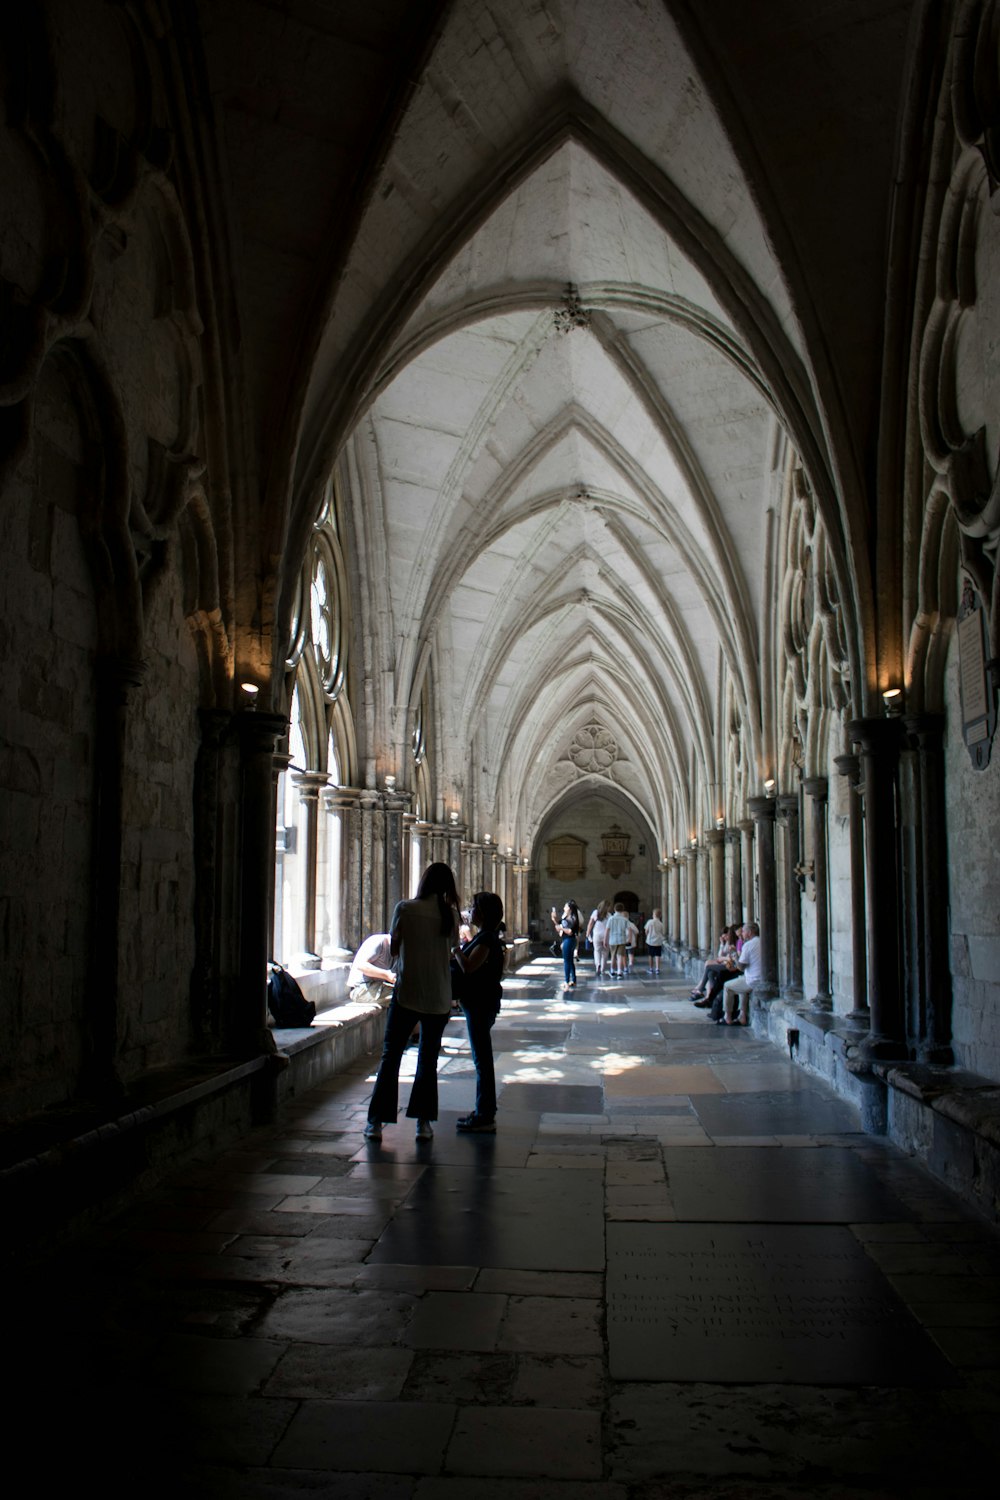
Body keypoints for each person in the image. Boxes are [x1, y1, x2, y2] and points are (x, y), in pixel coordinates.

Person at [364, 862, 460, 1142]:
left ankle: (376, 1122)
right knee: (428, 1061)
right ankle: (423, 1123)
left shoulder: (405, 909)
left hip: (408, 993)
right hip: (438, 996)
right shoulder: (450, 916)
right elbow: (453, 952)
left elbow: (394, 950)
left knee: (391, 1057)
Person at [452, 890, 506, 1132]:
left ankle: (485, 1115)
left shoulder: (486, 939)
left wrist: (455, 949)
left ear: (482, 913)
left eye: (473, 907)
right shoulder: (487, 936)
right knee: (481, 1058)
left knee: (481, 1059)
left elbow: (470, 967)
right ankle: (484, 1111)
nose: (470, 911)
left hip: (480, 1003)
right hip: (480, 1002)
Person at [721, 921, 762, 1025]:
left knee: (727, 986)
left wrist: (734, 954)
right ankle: (742, 1015)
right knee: (740, 982)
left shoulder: (748, 945)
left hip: (754, 980)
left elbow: (740, 967)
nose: (742, 934)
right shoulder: (762, 941)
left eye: (743, 931)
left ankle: (727, 1017)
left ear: (750, 932)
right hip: (762, 978)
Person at [347, 933, 395, 1006]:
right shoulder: (378, 941)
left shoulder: (395, 951)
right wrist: (387, 975)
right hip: (360, 990)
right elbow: (361, 965)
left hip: (377, 987)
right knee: (402, 997)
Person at [552, 900, 581, 990]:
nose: (564, 908)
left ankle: (566, 981)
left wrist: (561, 928)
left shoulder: (572, 919)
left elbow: (569, 931)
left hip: (569, 940)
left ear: (570, 909)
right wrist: (554, 920)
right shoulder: (566, 918)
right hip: (567, 940)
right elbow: (559, 927)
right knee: (570, 961)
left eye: (566, 907)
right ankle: (573, 980)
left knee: (567, 961)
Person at [605, 902, 628, 978]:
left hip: (613, 939)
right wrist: (629, 938)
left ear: (614, 909)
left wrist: (605, 940)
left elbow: (607, 930)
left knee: (613, 955)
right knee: (620, 956)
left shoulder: (611, 919)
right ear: (622, 910)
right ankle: (619, 971)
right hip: (622, 939)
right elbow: (628, 929)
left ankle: (612, 970)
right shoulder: (624, 919)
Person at [591, 900, 611, 978]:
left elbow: (590, 923)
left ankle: (598, 965)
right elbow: (609, 928)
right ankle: (602, 969)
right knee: (605, 952)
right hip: (606, 935)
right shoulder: (609, 915)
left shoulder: (595, 912)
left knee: (597, 951)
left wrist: (588, 933)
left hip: (596, 934)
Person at [644, 908, 665, 975]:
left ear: (653, 915)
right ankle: (657, 969)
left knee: (650, 955)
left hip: (650, 941)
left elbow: (646, 930)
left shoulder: (650, 922)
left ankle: (651, 968)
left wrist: (648, 935)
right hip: (658, 941)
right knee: (657, 955)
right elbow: (662, 932)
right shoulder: (661, 923)